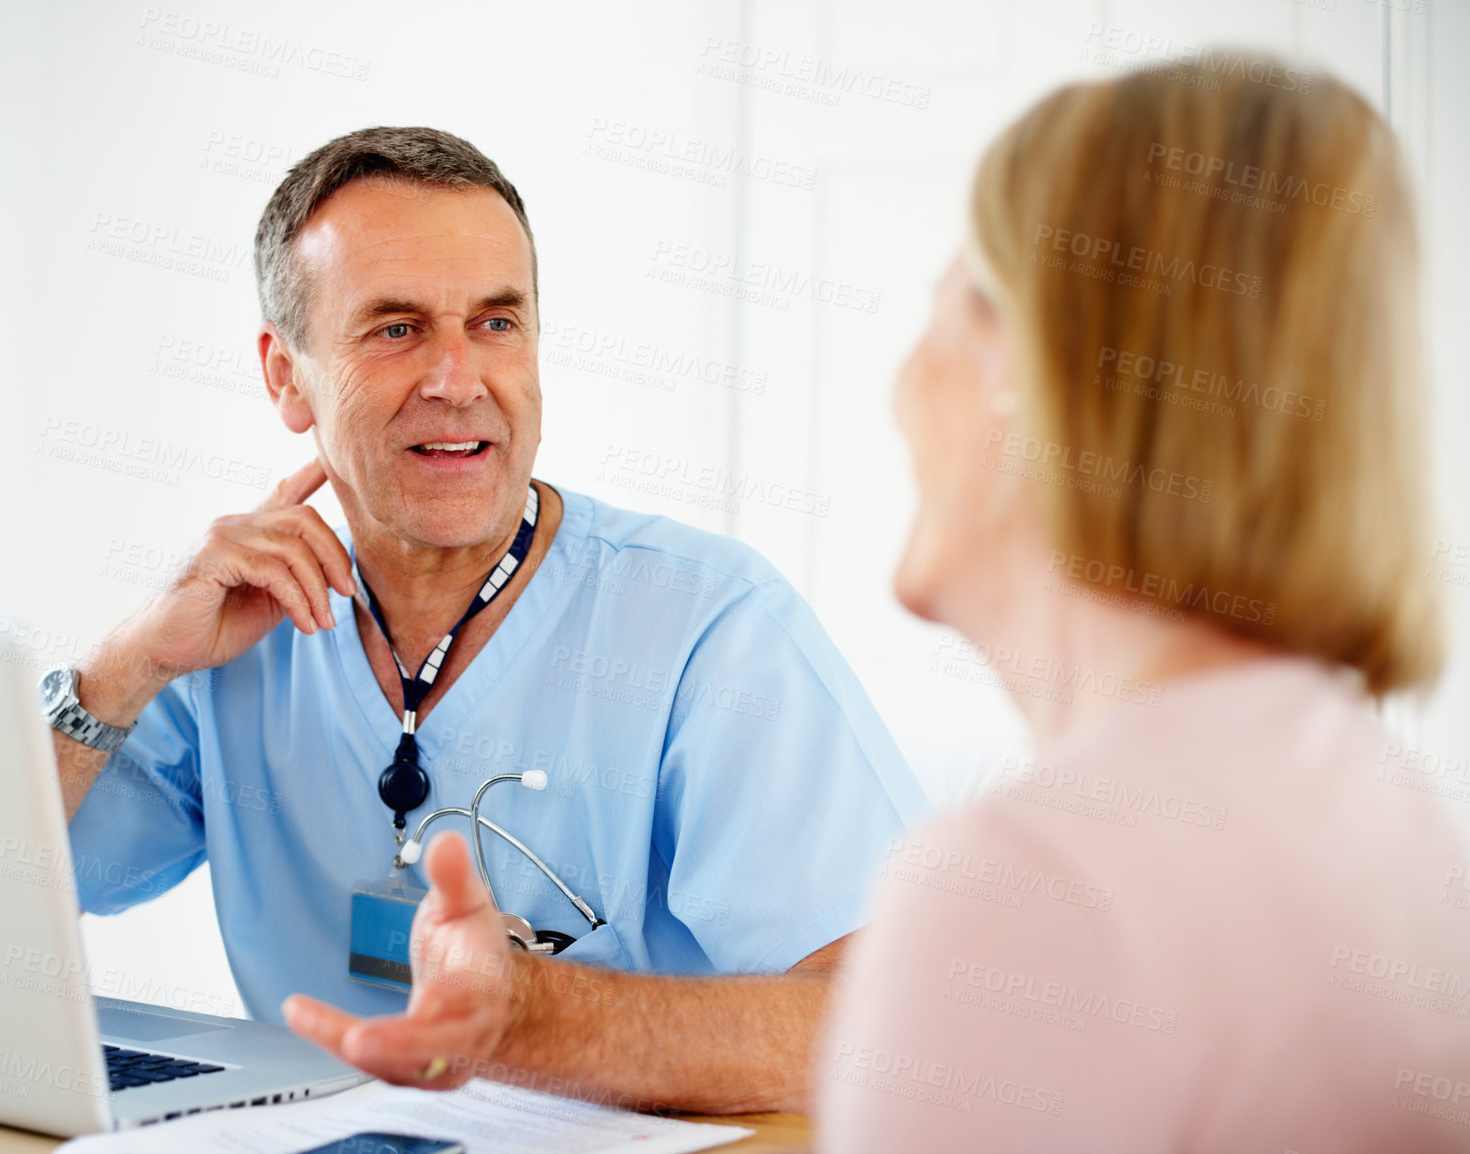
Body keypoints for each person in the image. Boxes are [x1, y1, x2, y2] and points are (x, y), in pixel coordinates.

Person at [46, 126, 929, 1114]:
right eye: (395, 328)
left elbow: (886, 1024)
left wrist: (530, 1016)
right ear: (285, 375)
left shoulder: (707, 627)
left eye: (497, 323)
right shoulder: (233, 630)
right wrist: (123, 668)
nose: (457, 378)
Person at [817, 60, 1470, 1150]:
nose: (898, 390)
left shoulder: (1028, 896)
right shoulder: (1394, 822)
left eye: (942, 315)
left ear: (1034, 369)